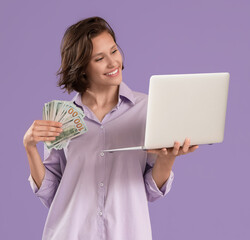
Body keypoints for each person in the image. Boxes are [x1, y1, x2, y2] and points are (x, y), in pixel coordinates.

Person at [23, 16, 198, 240]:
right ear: (82, 68)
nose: (113, 63)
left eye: (114, 51)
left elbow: (151, 191)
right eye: (99, 58)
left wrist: (168, 157)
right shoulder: (62, 118)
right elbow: (50, 193)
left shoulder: (148, 109)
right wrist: (30, 148)